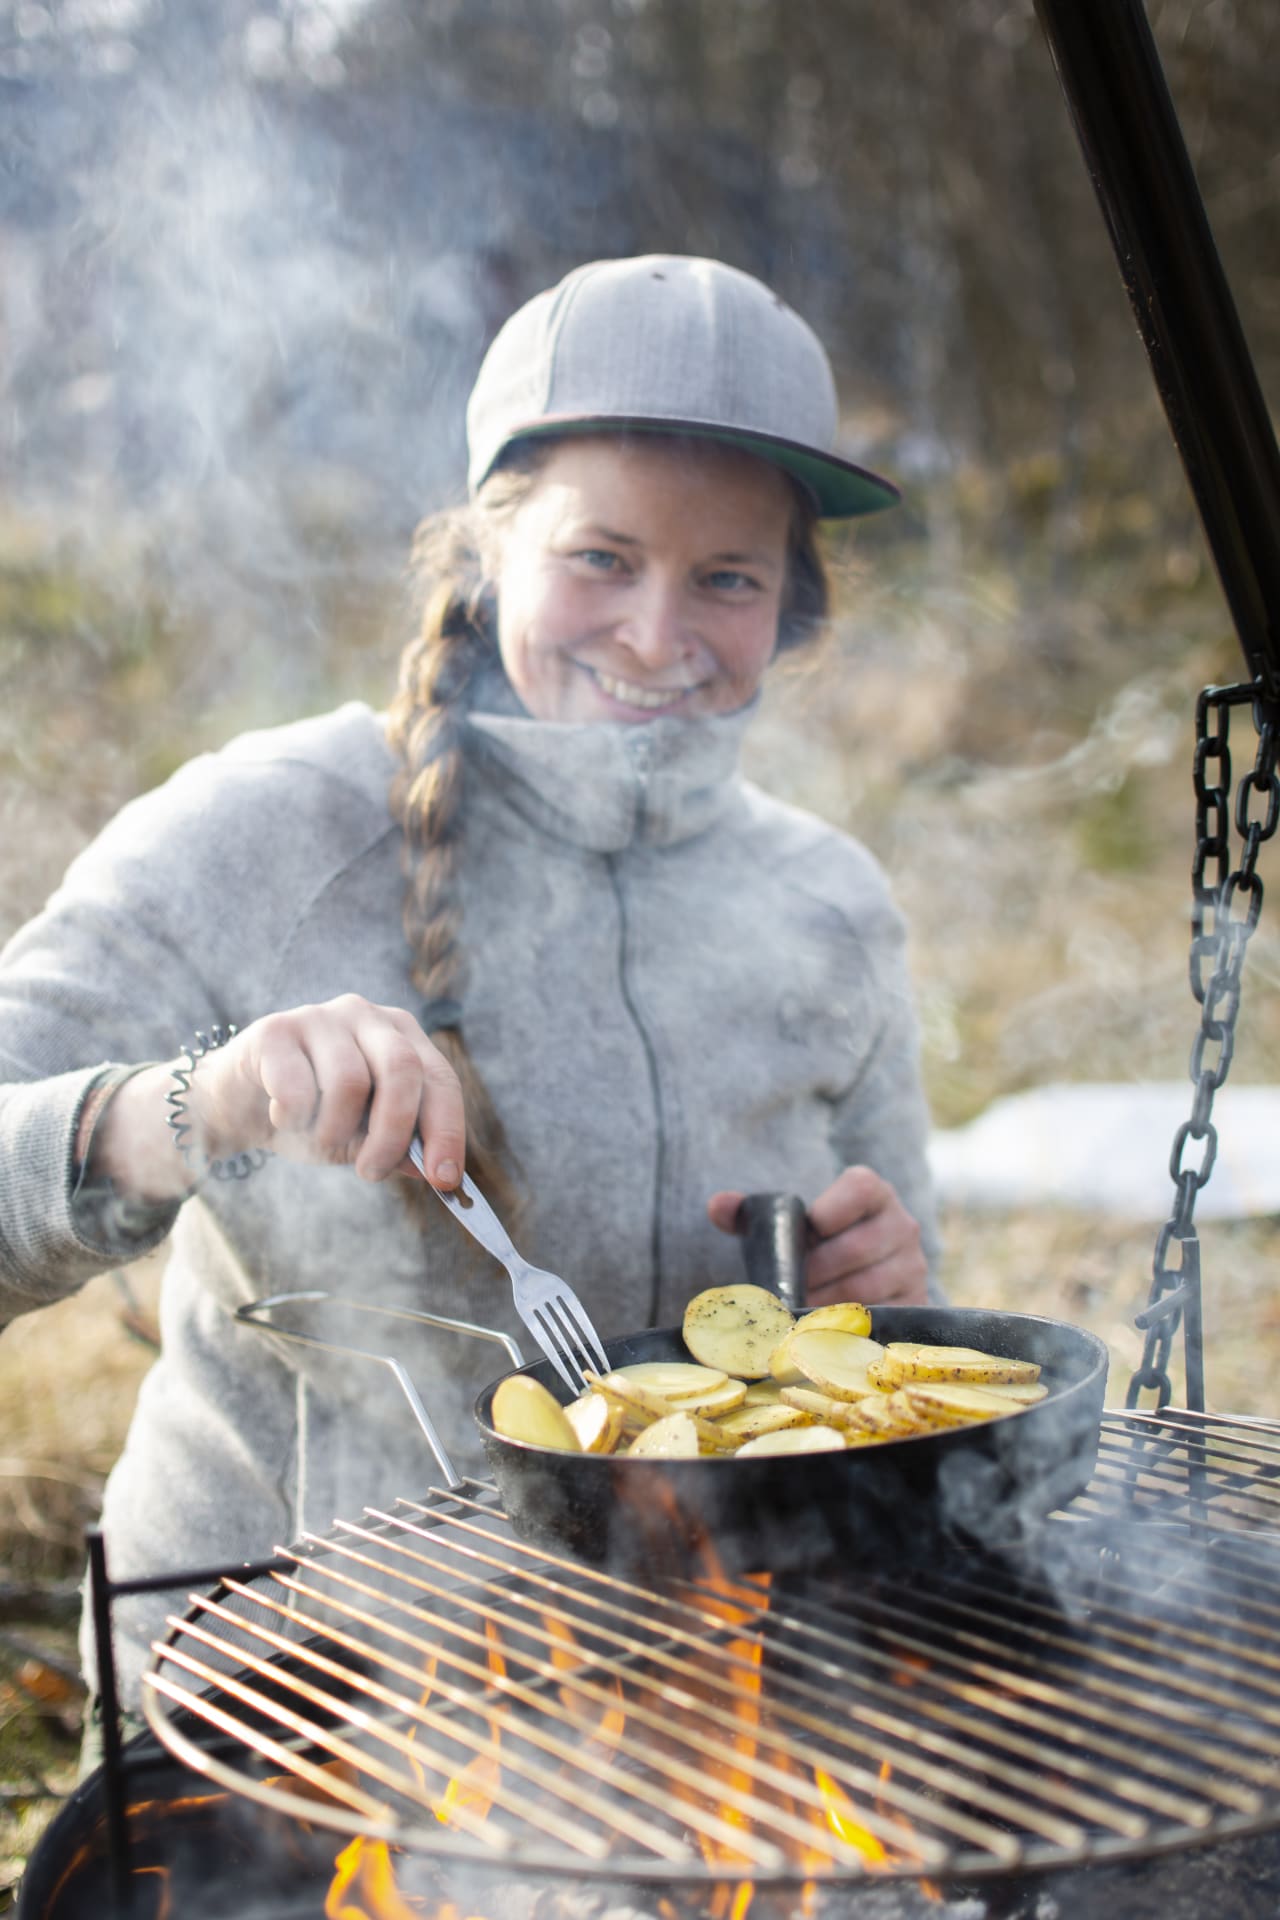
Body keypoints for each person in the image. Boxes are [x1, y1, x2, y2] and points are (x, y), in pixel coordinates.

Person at [0, 254, 939, 1721]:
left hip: (705, 1711)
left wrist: (882, 1301)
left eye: (728, 578)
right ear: (488, 548)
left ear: (794, 607)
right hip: (294, 1721)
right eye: (601, 558)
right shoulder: (270, 828)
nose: (654, 635)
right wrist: (197, 1104)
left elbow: (892, 1328)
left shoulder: (831, 908)